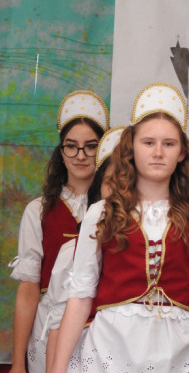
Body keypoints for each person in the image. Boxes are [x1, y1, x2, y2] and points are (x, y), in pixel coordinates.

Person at [48, 83, 189, 373]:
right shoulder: (103, 213)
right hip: (110, 350)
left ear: (181, 152)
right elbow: (80, 299)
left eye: (168, 144)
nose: (158, 152)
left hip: (174, 354)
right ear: (131, 148)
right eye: (148, 143)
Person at [9, 90, 109, 373]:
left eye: (91, 146)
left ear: (103, 150)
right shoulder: (38, 211)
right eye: (71, 146)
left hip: (101, 329)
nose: (81, 155)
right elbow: (28, 291)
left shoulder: (118, 210)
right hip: (49, 327)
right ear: (61, 151)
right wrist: (17, 363)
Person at [44, 126, 125, 372]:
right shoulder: (73, 250)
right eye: (111, 182)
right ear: (98, 188)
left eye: (130, 183)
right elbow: (58, 324)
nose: (120, 192)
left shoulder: (153, 249)